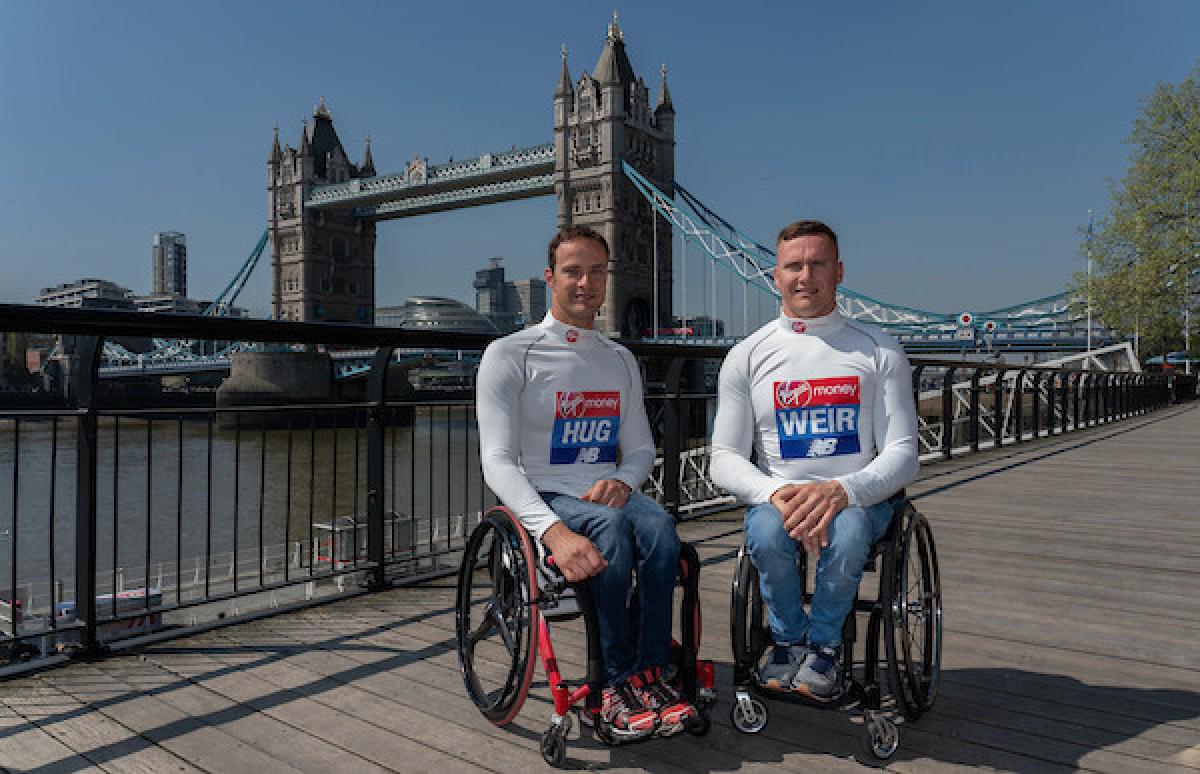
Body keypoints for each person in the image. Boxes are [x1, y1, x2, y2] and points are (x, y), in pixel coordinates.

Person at [475, 225, 697, 739]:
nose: (586, 283)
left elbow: (641, 448)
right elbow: (499, 464)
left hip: (605, 493)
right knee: (611, 530)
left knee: (661, 527)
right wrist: (552, 532)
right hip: (547, 496)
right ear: (550, 278)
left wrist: (623, 479)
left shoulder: (619, 358)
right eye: (573, 271)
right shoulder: (509, 354)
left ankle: (649, 668)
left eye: (597, 272)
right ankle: (614, 684)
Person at [710, 220, 919, 699]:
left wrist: (841, 492)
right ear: (775, 275)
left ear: (839, 271)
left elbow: (904, 455)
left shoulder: (879, 349)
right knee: (762, 532)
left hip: (860, 499)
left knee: (846, 534)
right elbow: (723, 458)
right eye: (793, 266)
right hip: (779, 500)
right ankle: (787, 641)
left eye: (817, 264)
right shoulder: (747, 356)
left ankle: (824, 649)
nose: (805, 276)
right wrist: (775, 494)